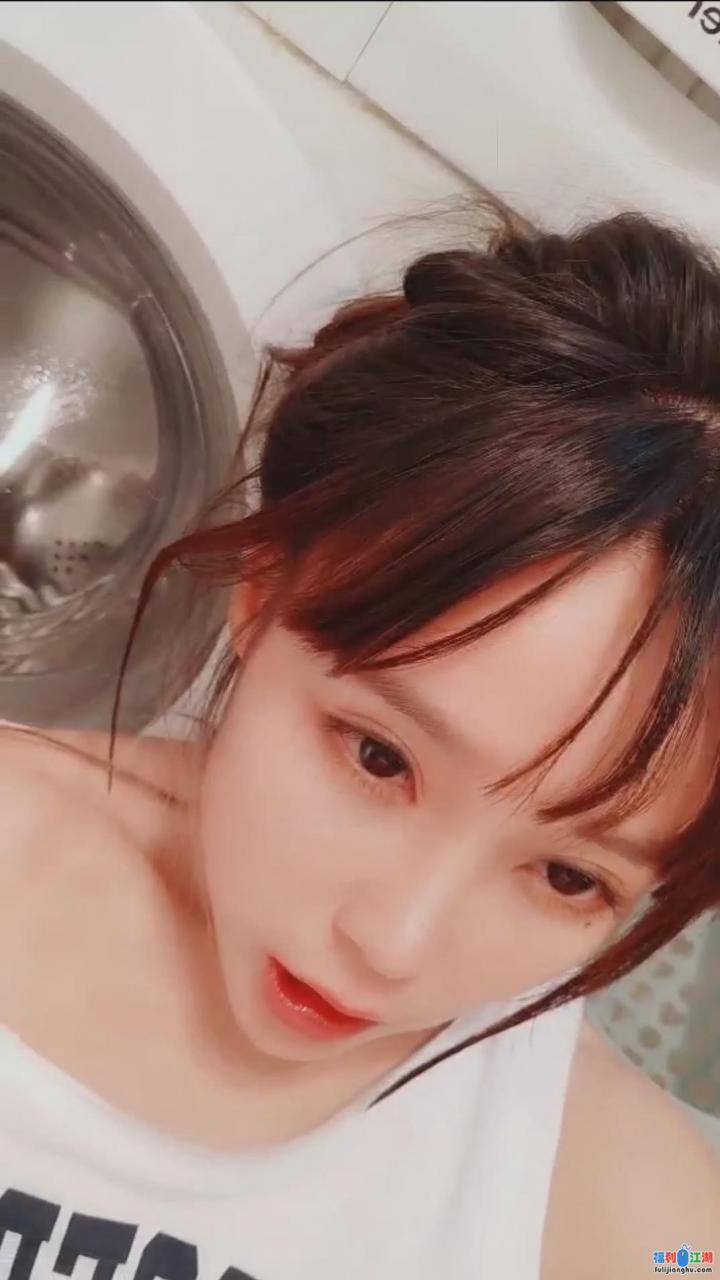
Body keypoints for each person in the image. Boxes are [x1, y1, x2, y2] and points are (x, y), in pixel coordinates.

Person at [1, 205, 719, 1280]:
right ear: (260, 591)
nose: (394, 945)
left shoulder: (640, 1213)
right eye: (379, 757)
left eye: (570, 876)